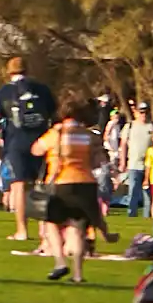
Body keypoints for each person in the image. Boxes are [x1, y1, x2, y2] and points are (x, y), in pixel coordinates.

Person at [33, 104, 105, 285]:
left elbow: (36, 149)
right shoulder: (87, 135)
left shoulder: (57, 133)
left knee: (51, 224)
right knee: (78, 229)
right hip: (86, 183)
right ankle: (78, 275)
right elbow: (97, 159)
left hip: (62, 182)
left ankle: (60, 262)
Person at [0, 55, 57, 243]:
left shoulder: (5, 91)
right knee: (41, 186)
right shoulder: (42, 89)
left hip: (16, 143)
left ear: (9, 72)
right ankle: (45, 231)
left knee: (18, 186)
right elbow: (54, 115)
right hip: (41, 141)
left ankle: (22, 230)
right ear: (27, 70)